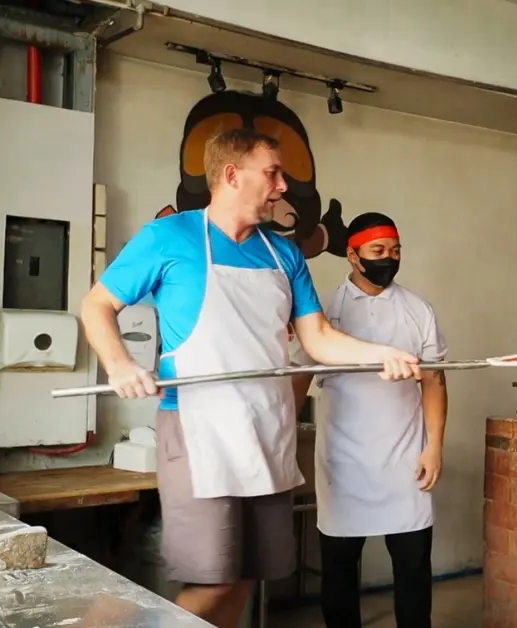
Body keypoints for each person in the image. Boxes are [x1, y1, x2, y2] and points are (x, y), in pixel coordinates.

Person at [79, 129, 421, 628]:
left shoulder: (284, 255)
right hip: (200, 431)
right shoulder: (168, 239)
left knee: (246, 575)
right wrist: (120, 364)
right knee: (212, 578)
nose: (283, 186)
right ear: (232, 174)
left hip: (267, 432)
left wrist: (381, 354)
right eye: (273, 172)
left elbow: (318, 337)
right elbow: (96, 305)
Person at [291, 212, 448, 628]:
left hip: (405, 459)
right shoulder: (323, 312)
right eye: (378, 251)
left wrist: (434, 447)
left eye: (395, 251)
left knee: (413, 566)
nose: (388, 259)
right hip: (343, 461)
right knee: (339, 568)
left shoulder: (418, 310)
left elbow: (434, 380)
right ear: (352, 256)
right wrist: (284, 438)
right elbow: (297, 378)